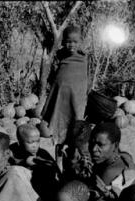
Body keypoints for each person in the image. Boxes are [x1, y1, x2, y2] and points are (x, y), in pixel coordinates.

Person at [41, 26, 88, 170]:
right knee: (59, 128)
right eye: (68, 41)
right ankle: (58, 161)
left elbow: (86, 80)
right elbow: (55, 78)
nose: (71, 45)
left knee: (76, 129)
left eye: (75, 42)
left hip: (77, 101)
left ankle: (75, 162)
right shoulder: (60, 56)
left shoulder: (84, 58)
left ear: (80, 41)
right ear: (63, 42)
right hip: (61, 100)